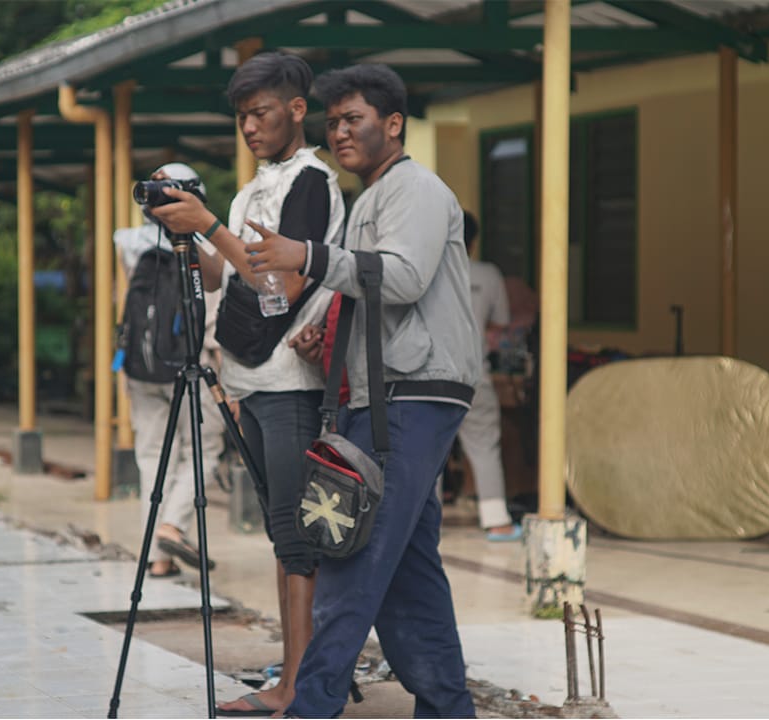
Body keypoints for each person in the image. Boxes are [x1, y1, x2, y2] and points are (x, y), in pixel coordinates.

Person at [248, 64, 481, 718]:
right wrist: (324, 321)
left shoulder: (416, 190)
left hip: (410, 395)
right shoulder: (372, 197)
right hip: (384, 397)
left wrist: (309, 257)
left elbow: (403, 278)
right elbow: (367, 285)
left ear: (394, 123)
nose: (342, 132)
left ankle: (309, 708)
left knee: (349, 561)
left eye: (355, 119)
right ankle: (447, 708)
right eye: (334, 123)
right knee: (410, 572)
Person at [150, 52, 346, 716]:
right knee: (280, 532)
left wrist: (209, 225)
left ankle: (299, 687)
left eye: (261, 114)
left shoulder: (313, 183)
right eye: (240, 118)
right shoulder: (251, 187)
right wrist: (186, 230)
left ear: (296, 109)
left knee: (295, 536)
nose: (250, 128)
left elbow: (282, 287)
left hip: (291, 380)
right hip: (248, 375)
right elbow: (225, 278)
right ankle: (291, 678)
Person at [113, 162, 224, 578]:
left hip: (140, 368)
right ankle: (173, 525)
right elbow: (211, 318)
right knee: (204, 450)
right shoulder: (206, 249)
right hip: (190, 365)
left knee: (151, 458)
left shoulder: (128, 244)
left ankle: (155, 557)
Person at [458, 211, 520, 540]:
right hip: (475, 374)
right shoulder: (488, 274)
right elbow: (499, 325)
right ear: (473, 240)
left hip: (428, 376)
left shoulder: (429, 270)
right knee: (485, 445)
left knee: (428, 451)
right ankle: (497, 520)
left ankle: (422, 525)